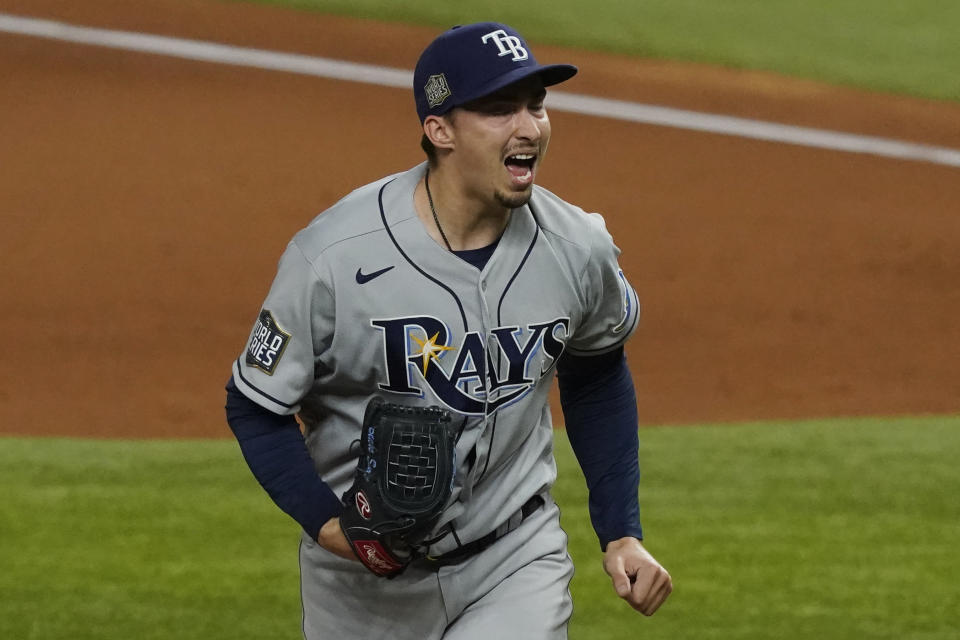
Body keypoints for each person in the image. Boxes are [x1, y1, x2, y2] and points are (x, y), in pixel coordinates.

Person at [225, 21, 671, 639]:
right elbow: (255, 406)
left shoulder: (577, 247)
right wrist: (333, 530)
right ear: (440, 130)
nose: (529, 127)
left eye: (536, 105)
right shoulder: (334, 258)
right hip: (360, 589)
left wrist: (621, 531)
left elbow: (596, 372)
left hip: (513, 560)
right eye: (498, 109)